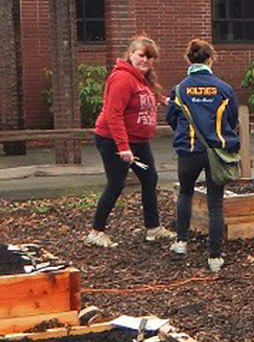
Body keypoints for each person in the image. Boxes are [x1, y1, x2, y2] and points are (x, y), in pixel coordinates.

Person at [85, 36, 175, 247]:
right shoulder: (123, 79)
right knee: (116, 184)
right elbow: (113, 115)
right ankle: (96, 232)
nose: (145, 60)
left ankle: (153, 228)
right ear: (131, 54)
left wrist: (167, 101)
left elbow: (151, 95)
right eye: (141, 55)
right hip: (114, 141)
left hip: (139, 141)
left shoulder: (143, 79)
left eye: (150, 57)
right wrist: (123, 147)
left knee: (150, 179)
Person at [165, 39, 240, 272]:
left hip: (188, 151)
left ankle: (181, 242)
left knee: (185, 194)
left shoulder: (179, 90)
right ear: (210, 60)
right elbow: (232, 119)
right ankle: (215, 256)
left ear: (189, 60)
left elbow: (170, 118)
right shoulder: (224, 89)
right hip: (216, 152)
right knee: (215, 204)